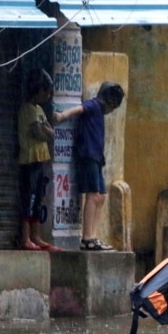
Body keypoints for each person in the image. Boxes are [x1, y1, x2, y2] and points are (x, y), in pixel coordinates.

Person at [54, 81, 125, 251]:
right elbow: (79, 108)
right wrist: (62, 116)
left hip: (96, 158)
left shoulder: (99, 110)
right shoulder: (95, 105)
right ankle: (87, 238)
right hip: (88, 155)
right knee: (93, 195)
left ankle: (93, 235)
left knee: (101, 197)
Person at [16, 69, 60, 252]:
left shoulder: (40, 110)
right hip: (29, 160)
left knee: (38, 200)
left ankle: (36, 236)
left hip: (41, 159)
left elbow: (50, 133)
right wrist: (45, 130)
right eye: (46, 91)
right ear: (37, 90)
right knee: (28, 198)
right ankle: (25, 237)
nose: (48, 95)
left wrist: (45, 130)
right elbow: (40, 133)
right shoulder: (27, 109)